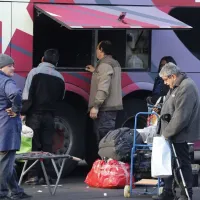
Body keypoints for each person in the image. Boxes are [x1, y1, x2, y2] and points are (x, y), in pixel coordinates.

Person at [154, 62, 200, 200]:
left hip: (179, 132)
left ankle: (186, 194)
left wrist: (166, 133)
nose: (166, 83)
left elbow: (182, 116)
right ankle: (168, 191)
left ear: (173, 76)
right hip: (172, 130)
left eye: (166, 80)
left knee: (182, 162)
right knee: (169, 162)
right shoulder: (177, 85)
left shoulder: (186, 87)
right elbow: (172, 106)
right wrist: (161, 108)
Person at [21, 49, 65, 185]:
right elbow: (61, 98)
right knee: (47, 146)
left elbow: (27, 94)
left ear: (42, 59)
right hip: (50, 116)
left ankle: (33, 176)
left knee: (34, 146)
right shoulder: (60, 77)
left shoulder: (34, 72)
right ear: (56, 62)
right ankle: (49, 176)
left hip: (34, 114)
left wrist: (23, 112)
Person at [0, 54, 31, 199]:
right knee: (5, 162)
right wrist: (16, 109)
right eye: (10, 66)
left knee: (6, 161)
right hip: (7, 127)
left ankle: (16, 191)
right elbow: (15, 94)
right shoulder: (6, 81)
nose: (13, 68)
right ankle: (2, 193)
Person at [86, 40, 123, 142]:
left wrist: (96, 106)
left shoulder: (105, 65)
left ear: (101, 50)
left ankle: (105, 158)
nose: (96, 50)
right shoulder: (113, 63)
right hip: (109, 109)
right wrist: (95, 71)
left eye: (97, 48)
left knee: (104, 140)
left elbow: (103, 86)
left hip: (105, 109)